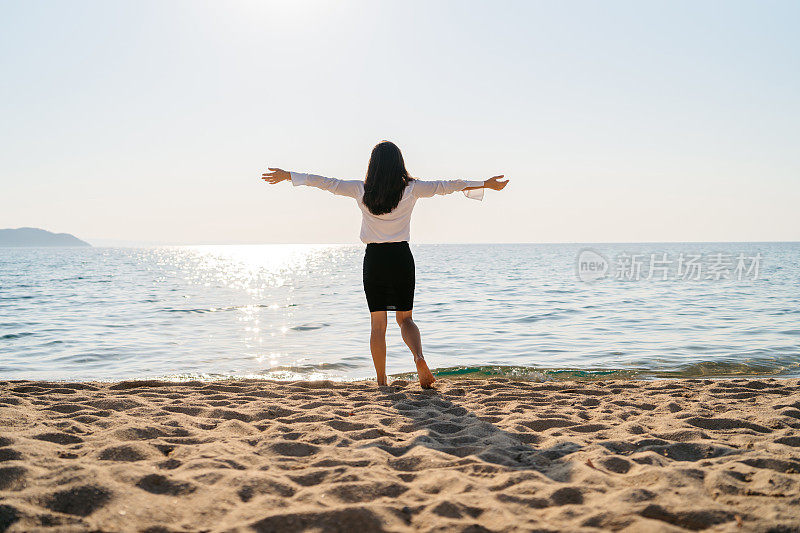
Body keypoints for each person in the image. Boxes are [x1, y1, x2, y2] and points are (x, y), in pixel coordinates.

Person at [262, 141, 509, 388]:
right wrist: (485, 184)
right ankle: (419, 358)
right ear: (399, 163)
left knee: (378, 325)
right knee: (406, 320)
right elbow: (448, 186)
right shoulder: (412, 189)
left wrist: (289, 176)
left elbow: (327, 183)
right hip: (401, 257)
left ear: (373, 165)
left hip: (375, 260)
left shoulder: (360, 190)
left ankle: (381, 381)